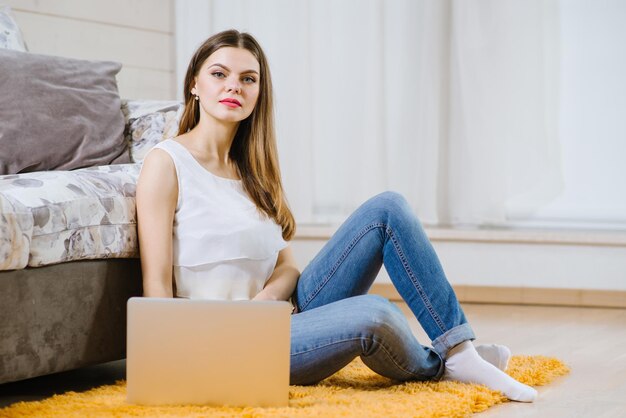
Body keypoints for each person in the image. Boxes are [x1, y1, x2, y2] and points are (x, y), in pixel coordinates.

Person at [136, 29, 537, 403]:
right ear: (194, 83)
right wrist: (187, 362)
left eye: (248, 79)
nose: (233, 87)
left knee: (388, 208)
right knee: (373, 313)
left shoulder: (254, 169)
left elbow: (287, 266)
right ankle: (438, 366)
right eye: (219, 74)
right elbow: (155, 287)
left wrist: (265, 301)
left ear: (259, 92)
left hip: (276, 317)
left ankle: (459, 350)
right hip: (223, 344)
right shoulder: (166, 164)